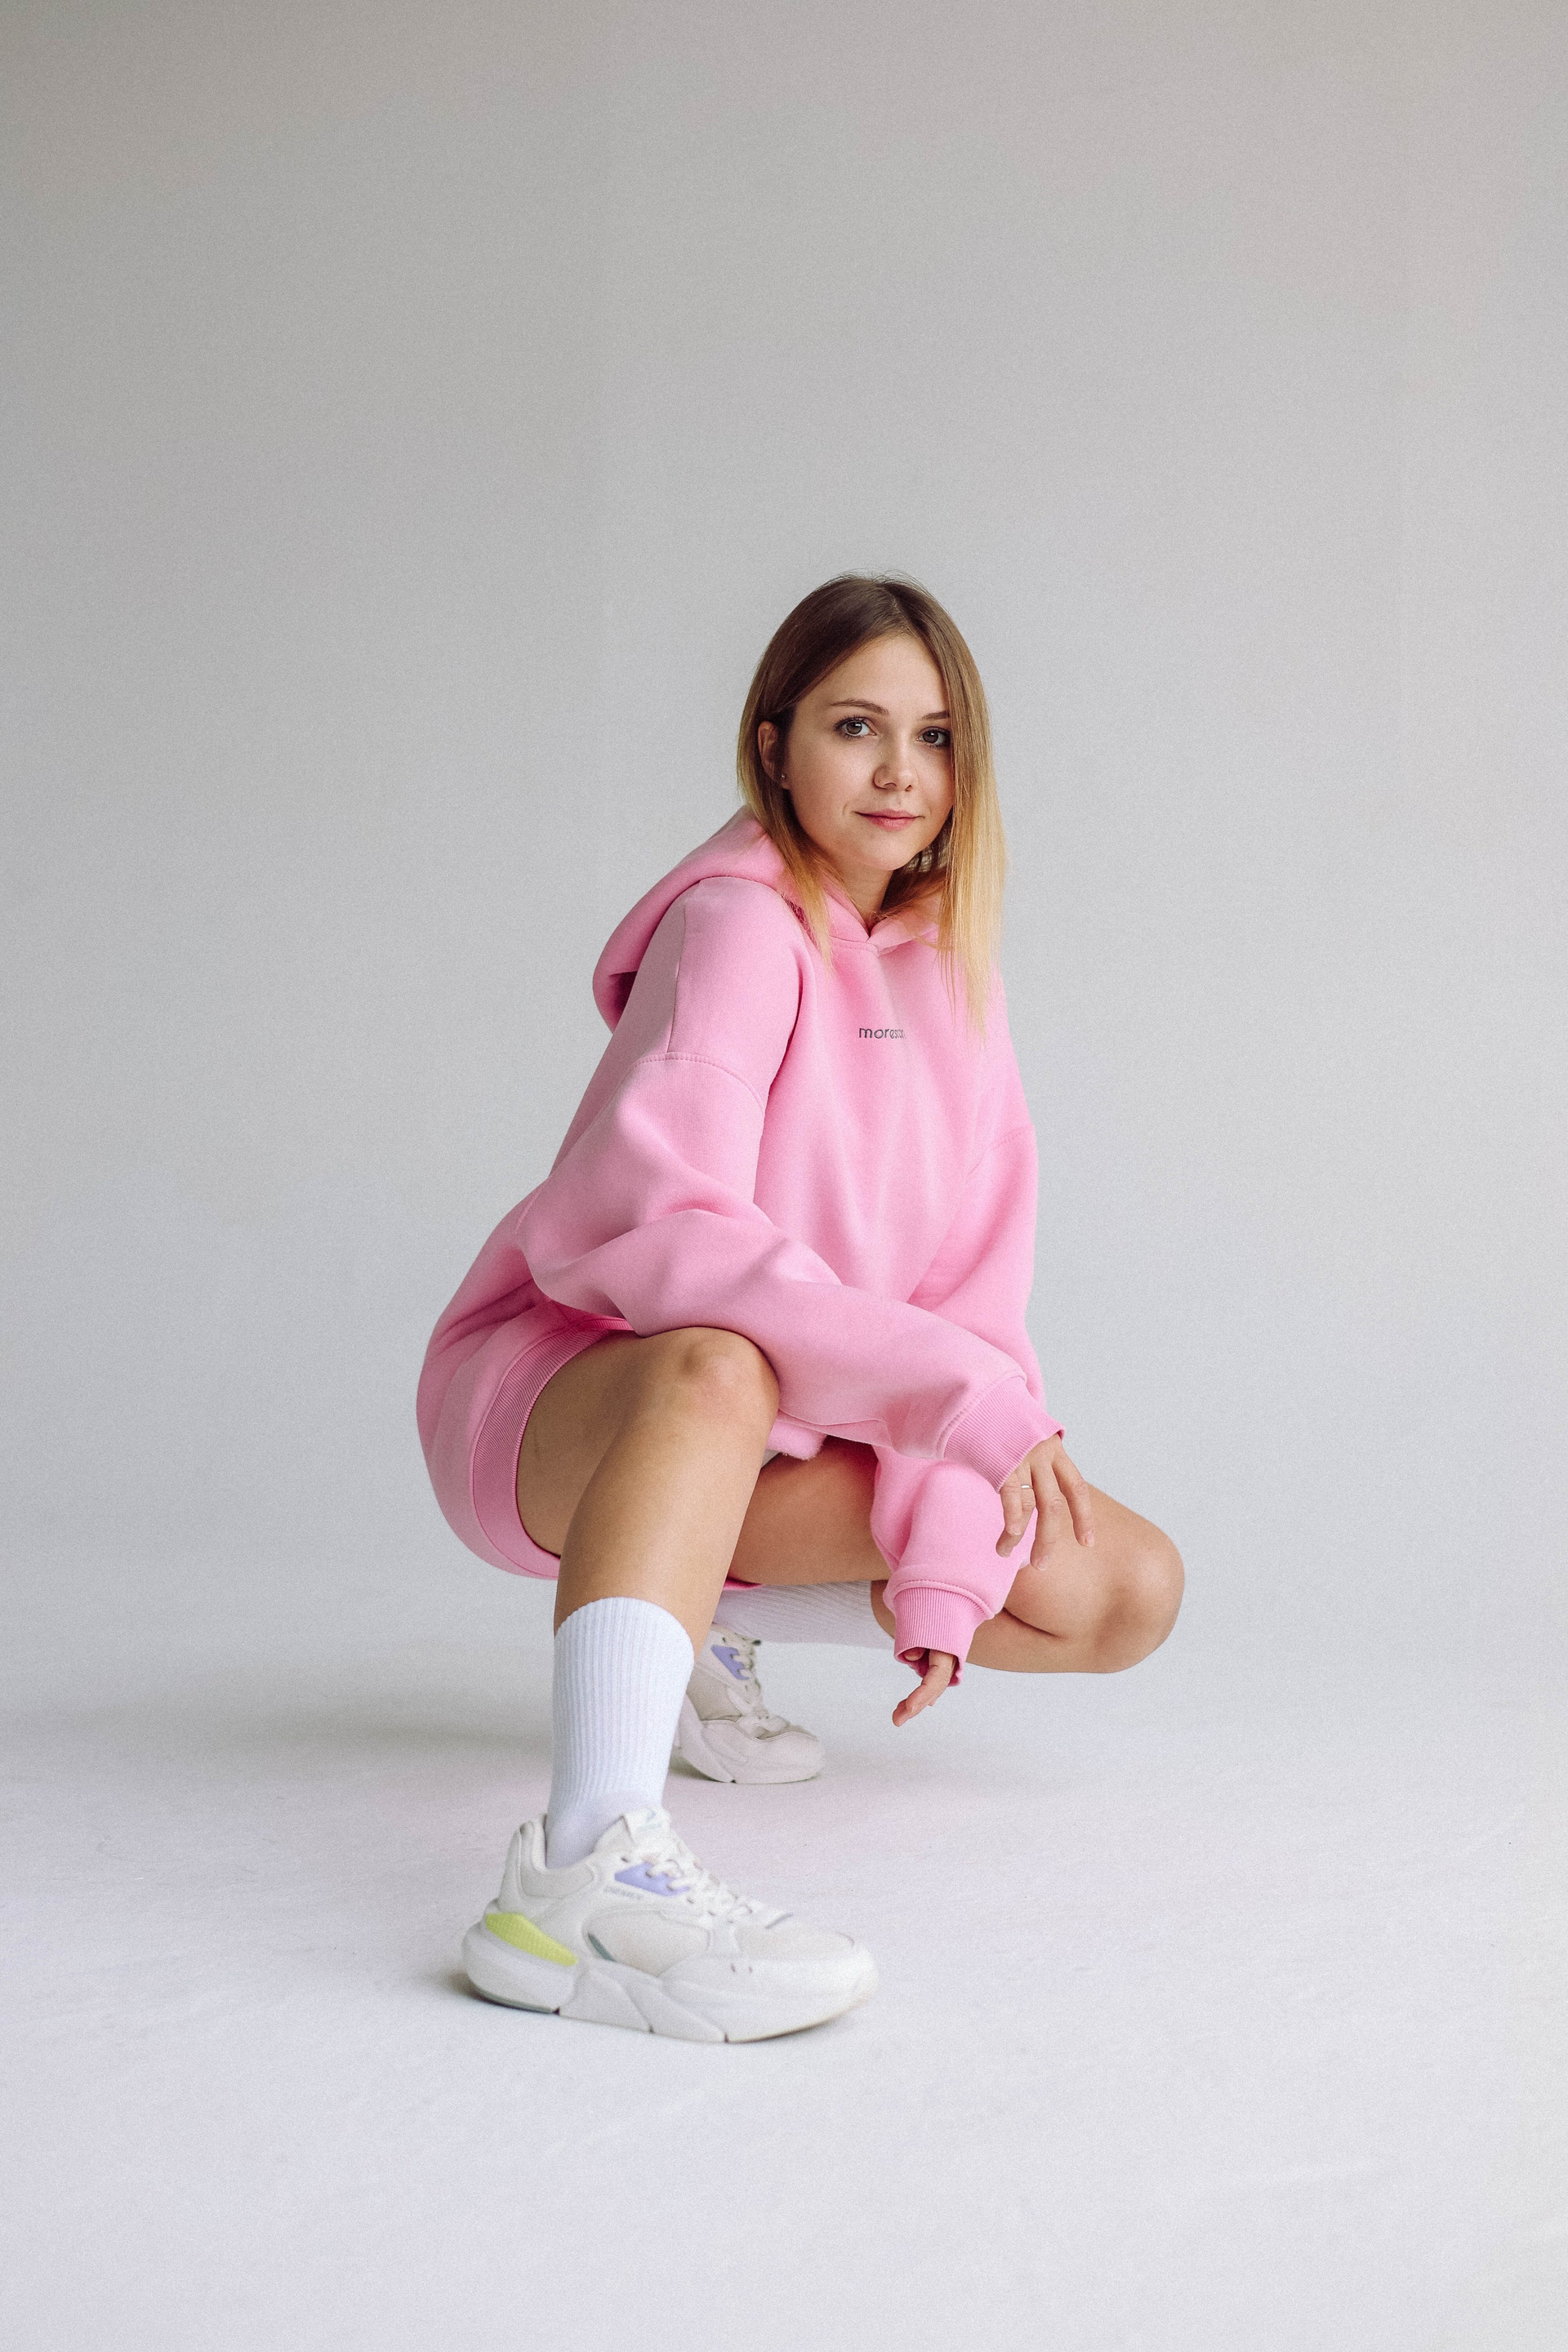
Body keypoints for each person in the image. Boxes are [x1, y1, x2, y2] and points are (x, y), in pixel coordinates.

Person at [416, 573, 1183, 2044]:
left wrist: (943, 1562)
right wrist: (958, 1403)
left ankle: (692, 1624)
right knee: (719, 1365)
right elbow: (666, 1236)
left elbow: (971, 1307)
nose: (901, 772)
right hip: (561, 1403)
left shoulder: (959, 975)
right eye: (855, 727)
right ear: (775, 746)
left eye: (936, 736)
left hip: (777, 1432)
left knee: (1119, 1588)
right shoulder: (735, 927)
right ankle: (575, 1876)